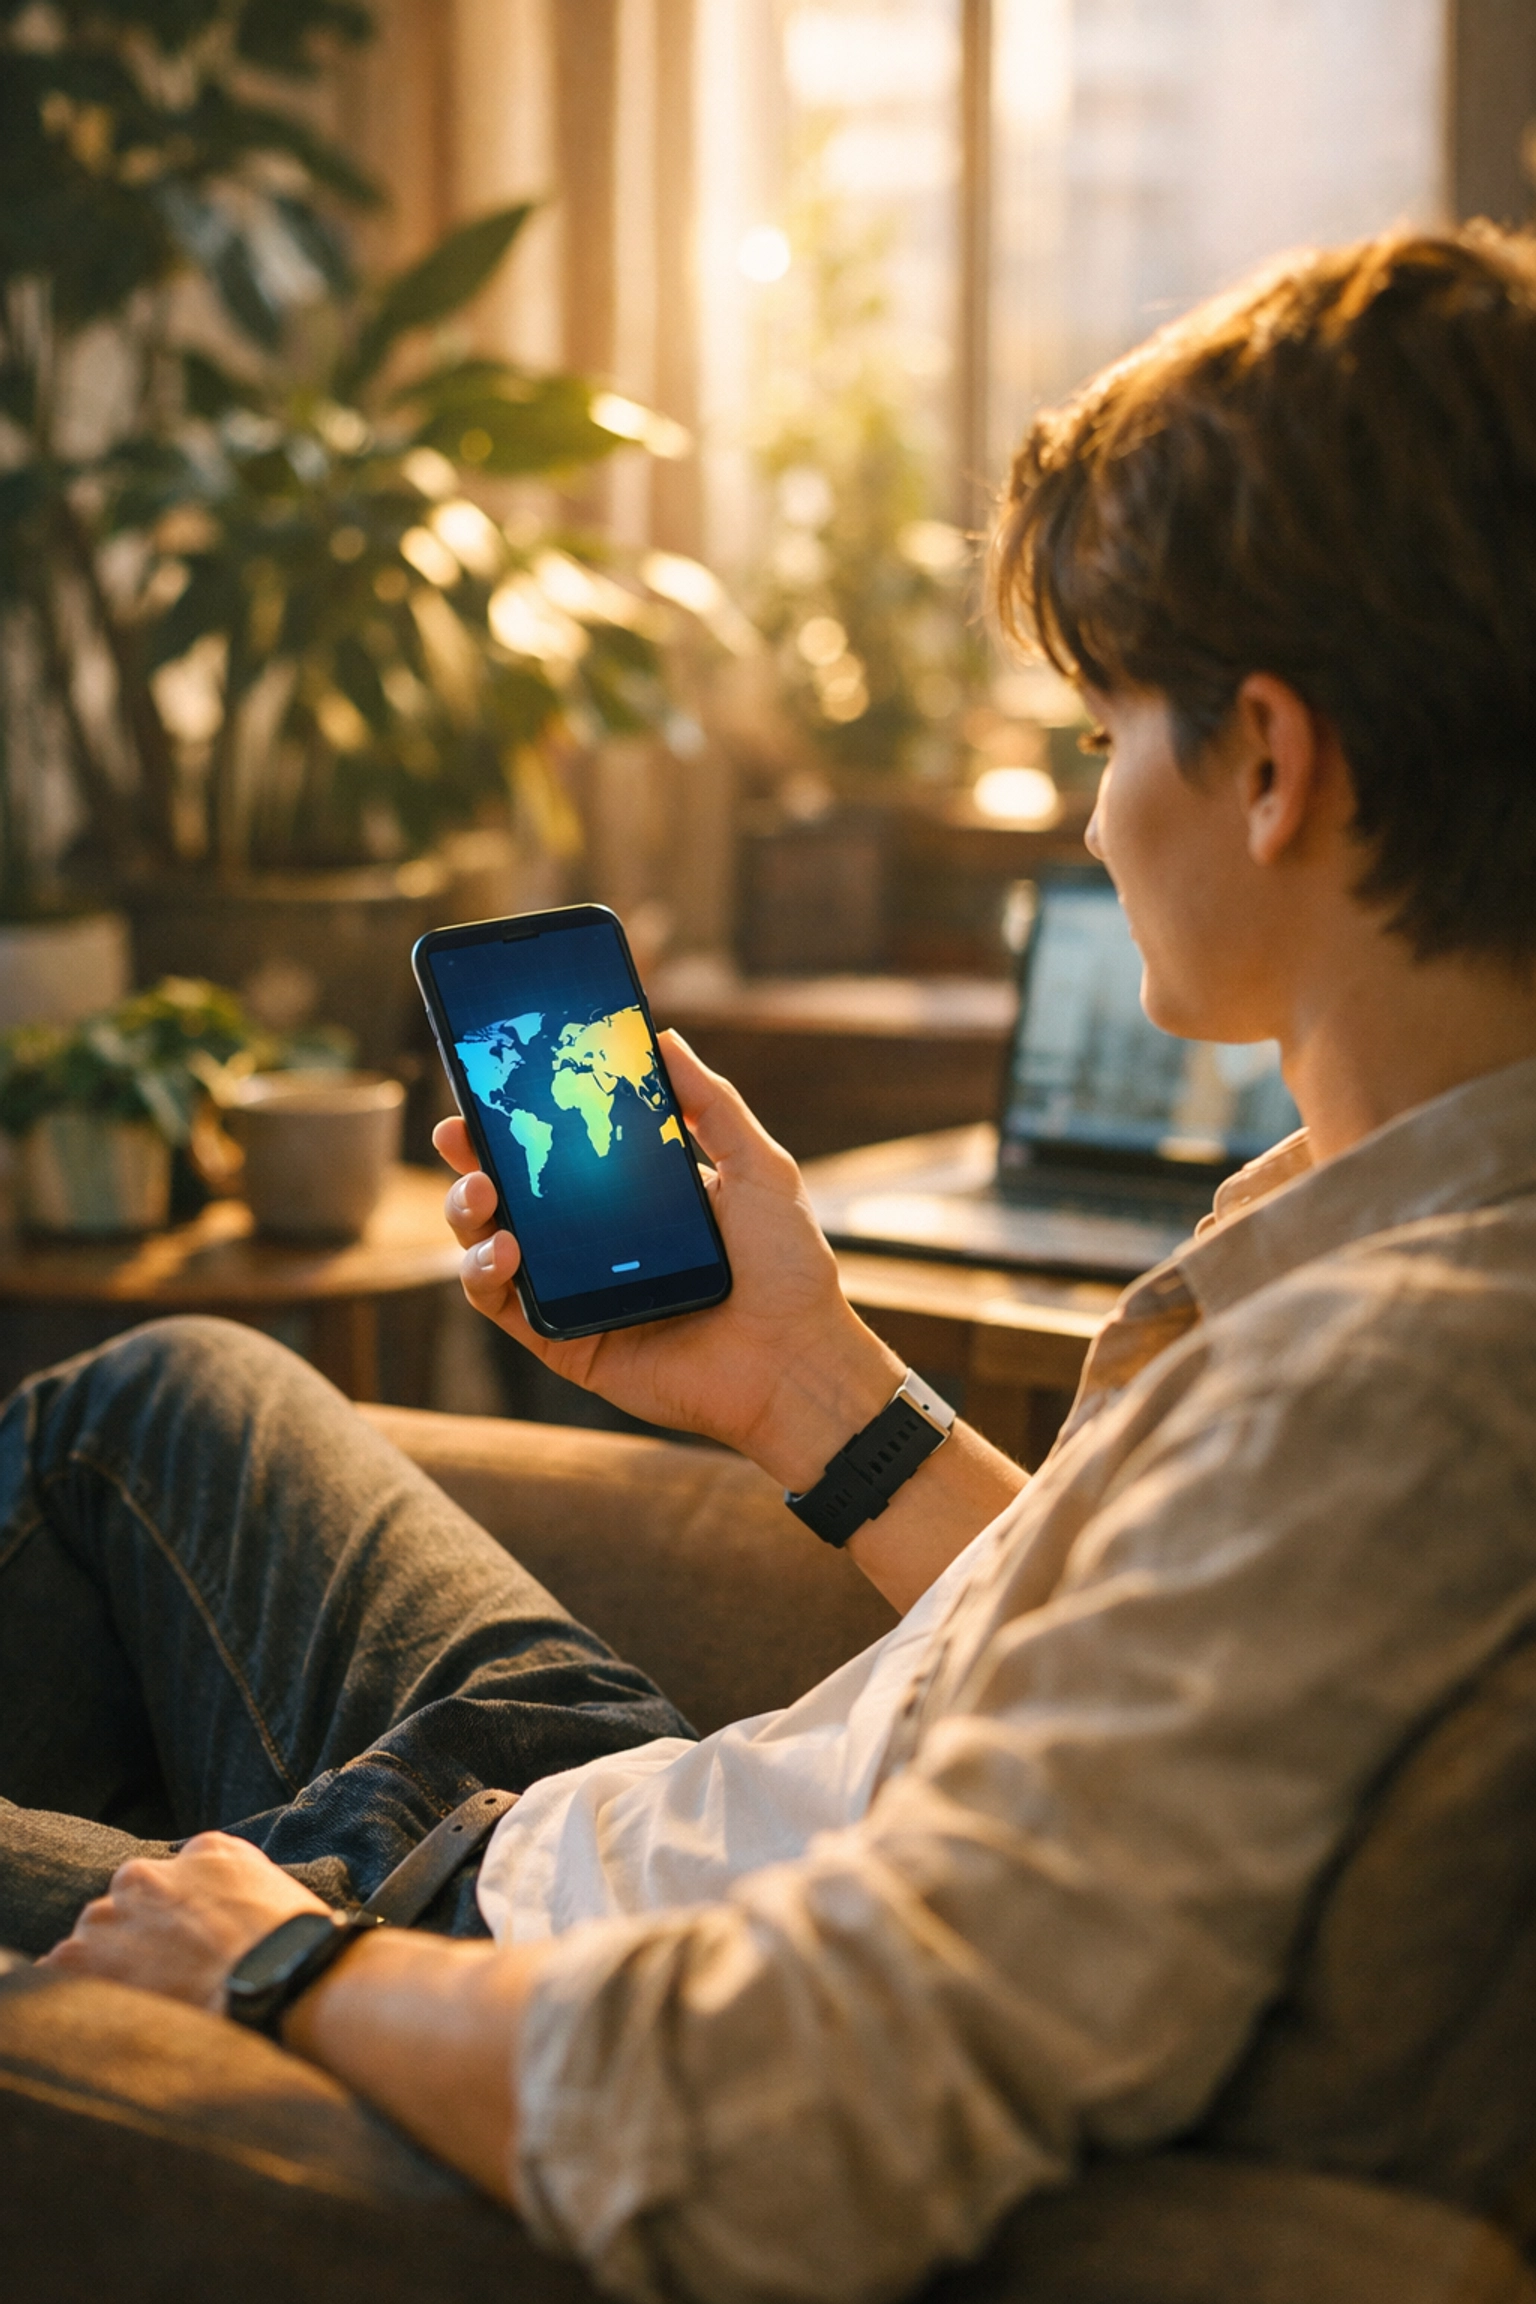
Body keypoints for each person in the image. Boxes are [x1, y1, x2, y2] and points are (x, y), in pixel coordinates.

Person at [10, 221, 1536, 2304]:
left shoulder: (1397, 1391)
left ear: (1269, 761)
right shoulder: (1413, 1218)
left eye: (1105, 736)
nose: (1090, 822)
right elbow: (1116, 1626)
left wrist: (282, 1961)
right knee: (162, 1400)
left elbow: (811, 2098)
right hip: (623, 1800)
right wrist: (800, 1378)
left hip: (495, 1950)